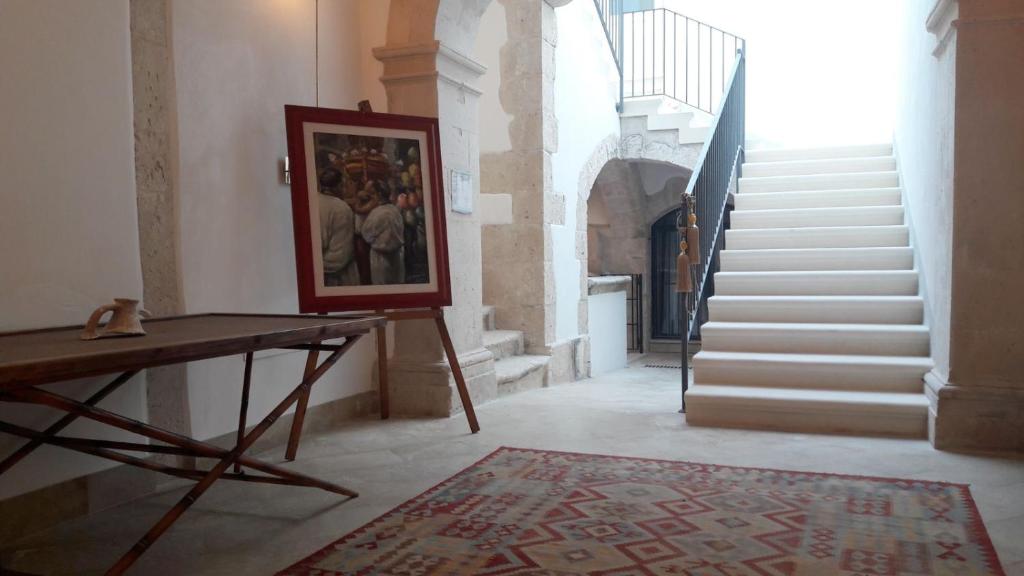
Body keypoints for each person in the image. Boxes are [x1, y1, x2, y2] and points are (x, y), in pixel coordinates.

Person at [317, 168, 358, 286]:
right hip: (339, 277)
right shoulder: (342, 208)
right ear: (339, 186)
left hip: (317, 272)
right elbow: (341, 254)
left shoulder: (313, 201)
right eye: (344, 185)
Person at [361, 180, 405, 284]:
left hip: (380, 258)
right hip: (397, 256)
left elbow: (366, 235)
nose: (371, 197)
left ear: (379, 195)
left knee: (381, 286)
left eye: (373, 194)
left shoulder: (376, 213)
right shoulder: (395, 210)